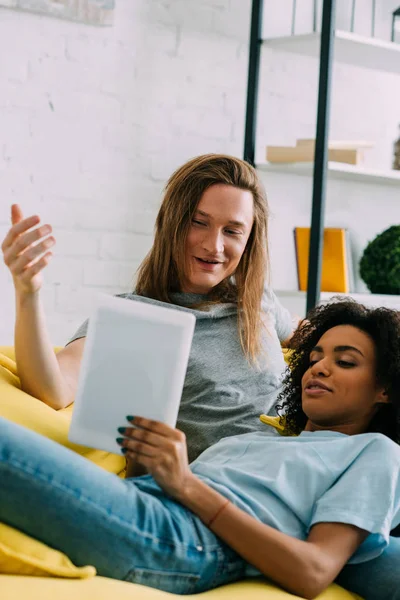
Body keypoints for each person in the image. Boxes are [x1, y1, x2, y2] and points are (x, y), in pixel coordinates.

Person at [0, 298, 400, 600]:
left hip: (190, 543)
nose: (319, 368)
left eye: (345, 362)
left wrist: (185, 483)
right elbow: (163, 494)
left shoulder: (374, 452)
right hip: (150, 512)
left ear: (384, 388)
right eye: (314, 357)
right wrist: (144, 459)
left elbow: (314, 571)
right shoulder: (255, 441)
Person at [1, 154, 295, 465]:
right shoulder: (135, 317)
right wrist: (28, 293)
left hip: (293, 470)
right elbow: (54, 389)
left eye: (232, 230)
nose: (214, 246)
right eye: (199, 222)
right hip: (218, 488)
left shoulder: (257, 300)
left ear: (250, 239)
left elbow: (307, 335)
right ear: (172, 223)